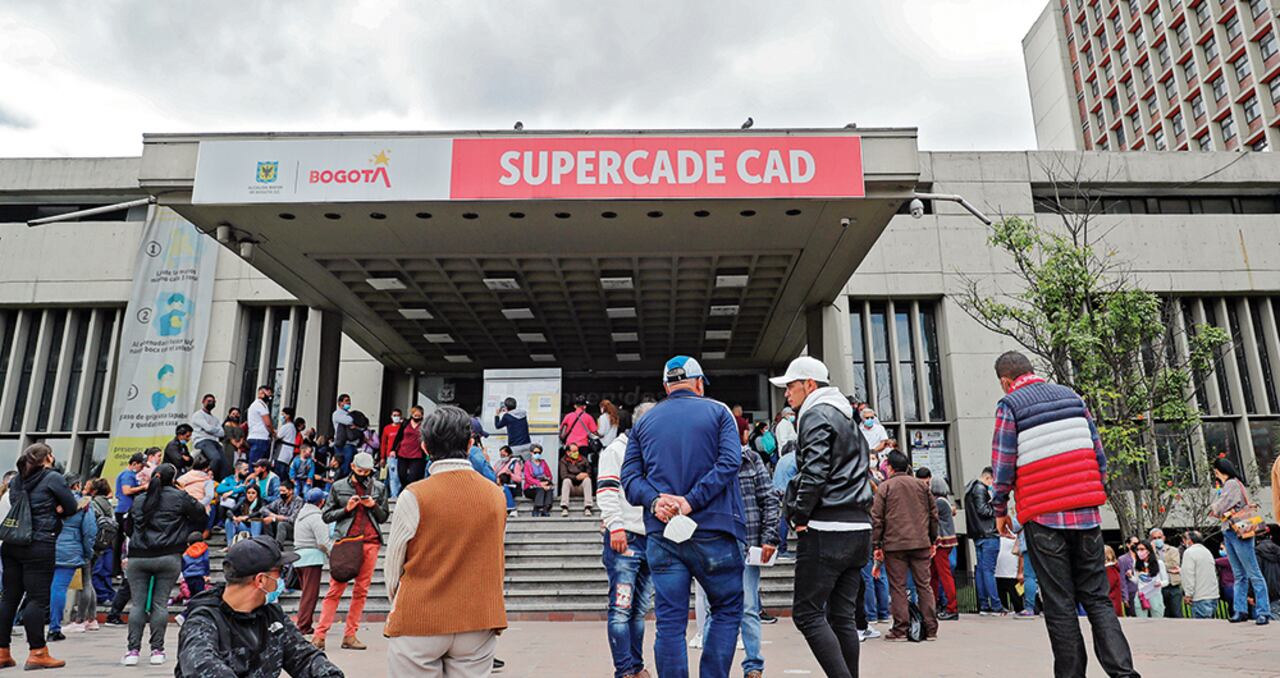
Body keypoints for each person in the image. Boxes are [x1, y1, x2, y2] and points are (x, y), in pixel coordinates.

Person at [988, 351, 1137, 678]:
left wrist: (999, 509)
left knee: (1060, 604)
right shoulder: (1072, 397)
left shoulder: (1010, 405)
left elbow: (1003, 465)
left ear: (1006, 381)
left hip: (1044, 517)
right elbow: (1098, 455)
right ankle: (1124, 673)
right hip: (1086, 514)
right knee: (1098, 599)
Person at [622, 356, 746, 678]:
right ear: (699, 383)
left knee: (669, 622)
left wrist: (654, 502)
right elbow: (730, 462)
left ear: (666, 387)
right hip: (715, 528)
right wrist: (691, 501)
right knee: (726, 609)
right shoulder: (719, 412)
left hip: (663, 533)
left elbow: (630, 478)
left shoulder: (644, 423)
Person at [384, 406, 508, 677]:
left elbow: (393, 564)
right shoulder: (495, 495)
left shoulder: (414, 495)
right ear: (470, 443)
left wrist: (399, 603)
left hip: (419, 617)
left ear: (425, 447)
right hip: (477, 618)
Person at [770, 357, 871, 678]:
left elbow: (815, 471)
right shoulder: (846, 416)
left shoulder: (815, 414)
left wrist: (800, 514)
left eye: (790, 386)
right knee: (842, 617)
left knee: (807, 613)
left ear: (809, 385)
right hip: (858, 526)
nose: (787, 393)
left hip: (827, 527)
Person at [176, 535, 342, 677]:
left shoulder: (272, 616)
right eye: (280, 573)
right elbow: (202, 666)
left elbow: (305, 658)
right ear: (261, 580)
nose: (282, 581)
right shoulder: (202, 621)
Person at [0, 443, 77, 670]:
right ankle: (38, 652)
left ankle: (2, 652)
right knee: (37, 599)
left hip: (12, 543)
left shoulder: (16, 480)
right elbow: (71, 507)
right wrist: (58, 508)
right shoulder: (53, 478)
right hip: (39, 544)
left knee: (9, 598)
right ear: (48, 458)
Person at [124, 462, 206, 667]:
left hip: (139, 556)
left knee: (138, 605)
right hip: (168, 555)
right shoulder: (180, 497)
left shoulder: (140, 499)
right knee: (160, 604)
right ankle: (157, 650)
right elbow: (201, 516)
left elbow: (128, 528)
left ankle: (132, 651)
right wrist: (185, 531)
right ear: (173, 479)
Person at [708, 441, 778, 678]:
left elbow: (769, 498)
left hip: (746, 541)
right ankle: (714, 668)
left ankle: (753, 666)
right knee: (715, 609)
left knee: (748, 607)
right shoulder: (706, 456)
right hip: (714, 542)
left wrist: (769, 537)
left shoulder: (750, 459)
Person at [597, 401, 654, 678]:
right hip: (625, 538)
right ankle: (624, 670)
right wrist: (616, 526)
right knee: (621, 608)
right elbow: (607, 492)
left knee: (639, 610)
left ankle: (636, 665)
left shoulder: (652, 450)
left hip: (650, 537)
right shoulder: (615, 451)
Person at [313, 451, 388, 651]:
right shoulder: (338, 486)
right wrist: (346, 509)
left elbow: (383, 517)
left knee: (361, 591)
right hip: (346, 542)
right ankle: (319, 635)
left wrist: (373, 506)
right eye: (361, 470)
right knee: (335, 590)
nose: (364, 474)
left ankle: (350, 635)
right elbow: (326, 516)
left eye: (367, 471)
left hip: (370, 542)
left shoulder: (379, 487)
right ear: (353, 467)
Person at [871, 450, 939, 641]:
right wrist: (932, 539)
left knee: (898, 587)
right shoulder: (921, 486)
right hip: (921, 542)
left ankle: (901, 629)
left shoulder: (885, 487)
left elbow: (877, 518)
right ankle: (931, 628)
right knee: (924, 585)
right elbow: (933, 515)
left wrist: (877, 544)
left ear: (889, 467)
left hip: (895, 545)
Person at [1208, 457, 1272, 624]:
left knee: (1250, 573)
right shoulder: (1233, 484)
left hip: (1237, 531)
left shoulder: (1231, 484)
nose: (1215, 475)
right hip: (1232, 530)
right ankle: (1242, 610)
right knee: (1241, 573)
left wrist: (1214, 507)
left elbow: (1220, 507)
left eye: (1216, 471)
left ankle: (1261, 611)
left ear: (1220, 470)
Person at [48, 473, 97, 642]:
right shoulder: (84, 504)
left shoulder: (49, 501)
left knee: (42, 590)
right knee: (59, 588)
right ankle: (54, 627)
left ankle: (35, 624)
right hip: (69, 551)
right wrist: (87, 552)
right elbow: (89, 531)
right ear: (76, 485)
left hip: (45, 548)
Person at [292, 488, 331, 637]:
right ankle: (303, 626)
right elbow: (323, 542)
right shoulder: (317, 517)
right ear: (321, 502)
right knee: (310, 595)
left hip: (299, 557)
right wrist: (333, 555)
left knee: (306, 594)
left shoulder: (301, 515)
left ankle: (304, 623)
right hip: (312, 559)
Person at [964, 466, 1001, 615]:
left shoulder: (970, 489)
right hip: (988, 534)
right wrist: (996, 509)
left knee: (981, 570)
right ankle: (996, 605)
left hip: (978, 534)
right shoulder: (980, 489)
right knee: (988, 571)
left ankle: (984, 604)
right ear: (988, 478)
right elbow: (983, 510)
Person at [930, 476, 959, 621]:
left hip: (941, 542)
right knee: (935, 575)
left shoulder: (939, 502)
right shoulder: (945, 501)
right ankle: (934, 604)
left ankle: (952, 607)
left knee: (943, 575)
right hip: (944, 542)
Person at [113, 452, 147, 576]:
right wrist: (143, 487)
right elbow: (126, 491)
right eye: (141, 466)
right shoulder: (127, 475)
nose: (142, 469)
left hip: (125, 510)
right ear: (134, 463)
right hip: (125, 511)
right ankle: (118, 569)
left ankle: (117, 569)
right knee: (124, 540)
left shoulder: (129, 475)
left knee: (121, 540)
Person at [1180, 530, 1219, 619]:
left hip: (1199, 597)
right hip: (1212, 595)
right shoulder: (1207, 551)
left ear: (1189, 540)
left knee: (1201, 625)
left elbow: (1189, 575)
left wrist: (1188, 594)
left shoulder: (1189, 552)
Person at [770, 442, 798, 563]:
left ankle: (780, 547)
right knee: (786, 519)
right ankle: (782, 549)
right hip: (787, 492)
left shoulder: (782, 459)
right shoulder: (795, 458)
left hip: (777, 490)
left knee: (783, 519)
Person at [190, 394, 227, 480]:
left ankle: (220, 482)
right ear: (203, 402)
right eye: (209, 401)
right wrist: (214, 430)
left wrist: (210, 429)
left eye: (213, 402)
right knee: (216, 458)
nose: (211, 403)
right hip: (202, 441)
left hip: (215, 442)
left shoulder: (215, 419)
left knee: (225, 464)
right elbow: (208, 428)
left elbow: (222, 433)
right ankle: (208, 477)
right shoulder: (198, 415)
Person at [392, 405, 428, 489]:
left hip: (417, 454)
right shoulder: (405, 423)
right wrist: (393, 449)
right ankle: (406, 489)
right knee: (401, 475)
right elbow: (398, 437)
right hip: (403, 453)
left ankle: (412, 490)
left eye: (419, 416)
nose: (417, 417)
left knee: (414, 476)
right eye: (415, 415)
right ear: (412, 414)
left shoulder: (424, 425)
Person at [1149, 528, 1182, 618]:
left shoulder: (1173, 550)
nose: (1157, 540)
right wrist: (1153, 552)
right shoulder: (1149, 552)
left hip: (1173, 585)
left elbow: (1174, 564)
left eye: (1159, 537)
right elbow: (1152, 566)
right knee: (1162, 614)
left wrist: (1160, 565)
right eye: (1154, 538)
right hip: (1158, 586)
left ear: (1163, 538)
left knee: (1176, 613)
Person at [1129, 540, 1167, 617]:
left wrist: (1160, 583)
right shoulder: (1136, 564)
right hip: (1141, 595)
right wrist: (1130, 577)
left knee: (1158, 617)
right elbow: (1137, 581)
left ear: (1148, 551)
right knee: (1141, 619)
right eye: (1138, 549)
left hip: (1154, 594)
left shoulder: (1159, 563)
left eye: (1142, 549)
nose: (1139, 552)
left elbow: (1166, 581)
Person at [559, 443, 594, 517]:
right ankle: (564, 507)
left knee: (587, 480)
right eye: (574, 451)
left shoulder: (583, 459)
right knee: (566, 481)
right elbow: (563, 475)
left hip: (581, 488)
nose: (576, 453)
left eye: (577, 451)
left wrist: (586, 475)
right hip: (570, 488)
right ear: (568, 452)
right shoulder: (563, 460)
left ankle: (588, 507)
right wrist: (576, 477)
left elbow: (590, 472)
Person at [246, 385, 276, 466]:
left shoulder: (257, 405)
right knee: (257, 465)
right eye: (269, 393)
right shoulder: (260, 405)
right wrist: (273, 432)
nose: (270, 396)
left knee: (257, 464)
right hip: (260, 438)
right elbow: (268, 423)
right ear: (261, 392)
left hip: (255, 437)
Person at [522, 445, 555, 517]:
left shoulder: (543, 462)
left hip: (543, 484)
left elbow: (549, 475)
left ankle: (546, 509)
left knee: (549, 490)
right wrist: (540, 484)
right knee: (541, 489)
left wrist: (546, 482)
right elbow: (528, 478)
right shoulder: (527, 463)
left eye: (539, 453)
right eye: (535, 452)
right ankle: (536, 508)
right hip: (531, 487)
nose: (537, 454)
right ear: (531, 452)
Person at [332, 394, 358, 477]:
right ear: (340, 403)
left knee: (351, 467)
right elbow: (349, 421)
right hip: (343, 445)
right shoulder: (337, 414)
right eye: (346, 401)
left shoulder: (349, 413)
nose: (349, 403)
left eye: (349, 401)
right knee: (344, 467)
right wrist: (356, 421)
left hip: (352, 444)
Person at [995, 534, 1022, 614]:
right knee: (1012, 599)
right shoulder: (1016, 534)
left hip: (1008, 572)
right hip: (1004, 571)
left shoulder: (1015, 534)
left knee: (1014, 600)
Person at [495, 446, 524, 518]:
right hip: (499, 485)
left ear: (509, 454)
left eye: (504, 455)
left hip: (512, 487)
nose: (502, 457)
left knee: (504, 488)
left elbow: (519, 479)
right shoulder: (499, 463)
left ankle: (512, 508)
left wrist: (511, 474)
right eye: (501, 455)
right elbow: (493, 473)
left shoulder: (515, 464)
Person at [381, 408, 404, 499]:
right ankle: (394, 496)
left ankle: (396, 494)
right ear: (391, 416)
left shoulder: (403, 427)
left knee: (400, 476)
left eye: (398, 415)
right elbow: (383, 443)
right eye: (394, 415)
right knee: (393, 477)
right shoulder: (387, 428)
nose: (396, 417)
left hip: (402, 455)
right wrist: (382, 457)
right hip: (391, 456)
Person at [274, 407, 301, 482]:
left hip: (282, 455)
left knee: (279, 475)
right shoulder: (291, 427)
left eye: (283, 414)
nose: (282, 416)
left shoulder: (287, 426)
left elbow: (277, 437)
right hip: (286, 455)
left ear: (288, 416)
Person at [182, 531, 210, 596]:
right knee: (200, 595)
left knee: (192, 594)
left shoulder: (187, 551)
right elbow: (206, 560)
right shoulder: (204, 548)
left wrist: (183, 573)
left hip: (188, 576)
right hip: (199, 575)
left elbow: (184, 563)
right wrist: (207, 573)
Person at [223, 407, 247, 473]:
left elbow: (242, 436)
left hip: (238, 448)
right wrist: (237, 446)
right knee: (229, 465)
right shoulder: (228, 424)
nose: (235, 415)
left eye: (237, 414)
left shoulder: (239, 425)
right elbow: (230, 437)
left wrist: (240, 446)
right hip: (229, 447)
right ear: (229, 415)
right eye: (233, 414)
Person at [1104, 546, 1125, 616]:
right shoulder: (1112, 568)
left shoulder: (1110, 569)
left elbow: (1107, 587)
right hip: (1113, 604)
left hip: (1111, 605)